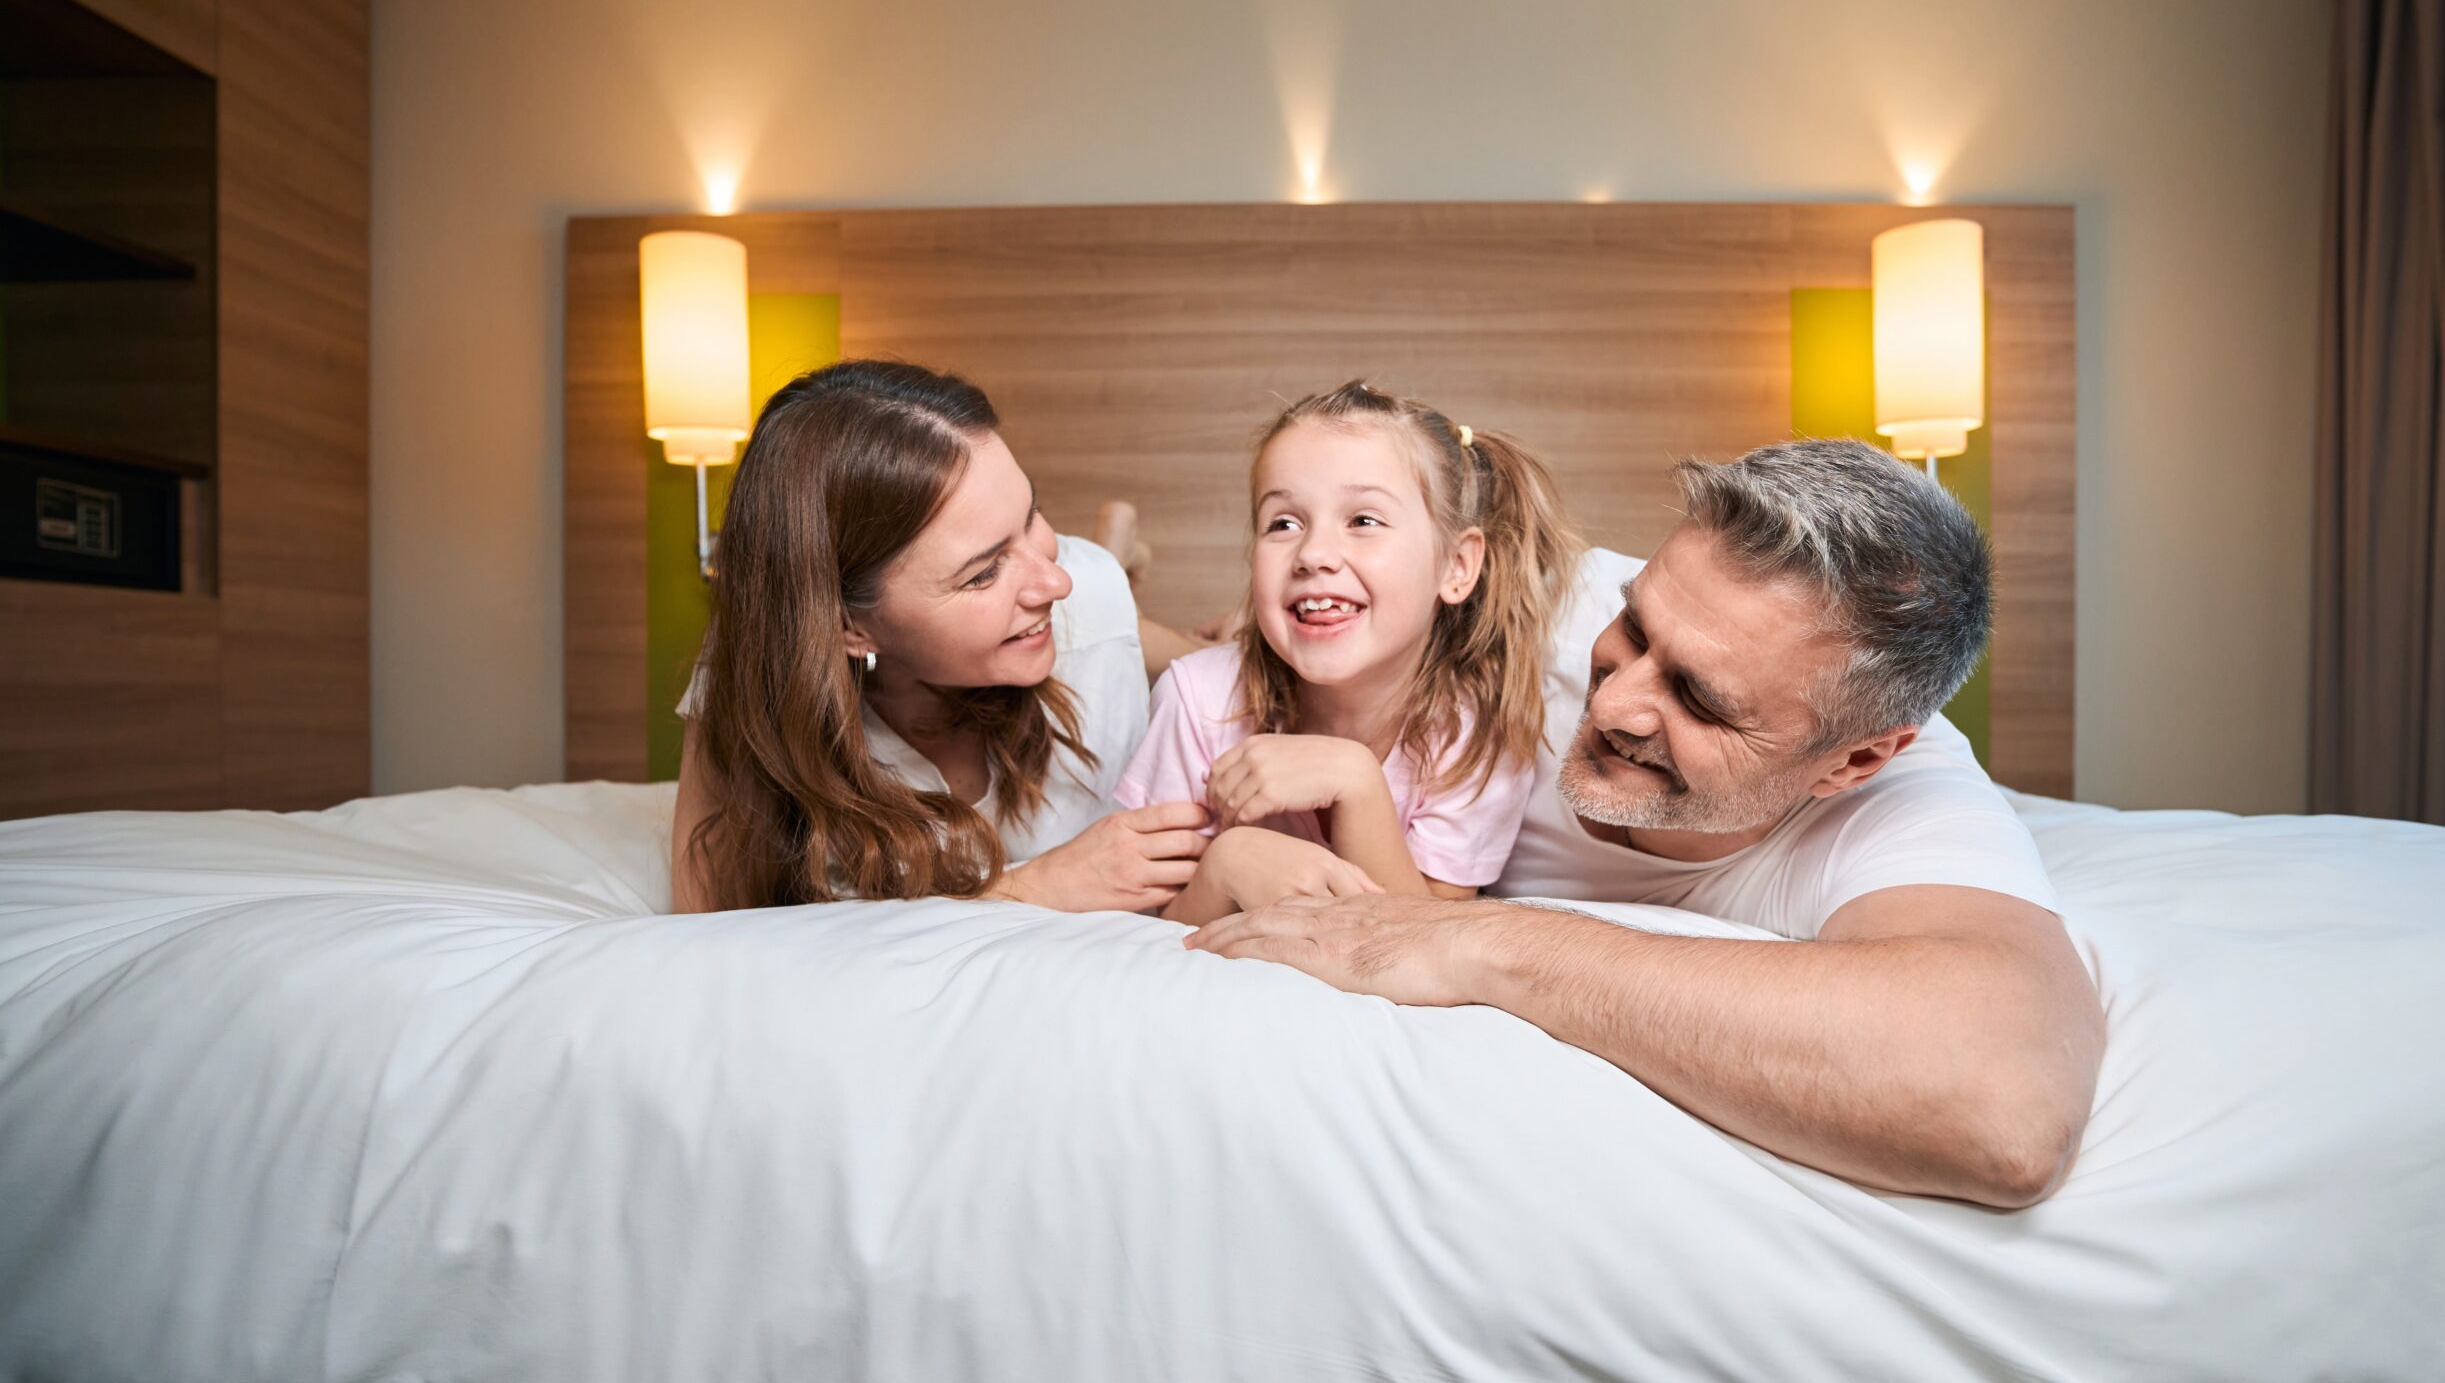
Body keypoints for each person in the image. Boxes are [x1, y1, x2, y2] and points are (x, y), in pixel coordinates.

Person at [1188, 439, 2105, 1209]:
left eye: (1701, 699)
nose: (1615, 703)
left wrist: (1484, 943)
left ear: (1853, 760)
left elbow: (2008, 1102)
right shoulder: (1529, 610)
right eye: (1633, 625)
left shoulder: (1912, 797)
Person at [669, 358, 1211, 913]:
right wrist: (1029, 888)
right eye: (982, 573)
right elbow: (708, 918)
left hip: (1098, 597)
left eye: (1033, 513)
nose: (1056, 580)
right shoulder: (755, 672)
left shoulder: (1083, 590)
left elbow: (1174, 654)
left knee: (1097, 583)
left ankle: (1114, 551)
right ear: (849, 627)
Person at [1114, 380, 1583, 923]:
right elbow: (1147, 929)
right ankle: (1111, 570)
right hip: (1228, 671)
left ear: (1456, 566)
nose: (1313, 553)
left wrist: (1355, 779)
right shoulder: (1195, 700)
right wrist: (1227, 865)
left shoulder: (1479, 735)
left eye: (1363, 521)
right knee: (1120, 639)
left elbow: (1431, 935)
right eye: (1283, 523)